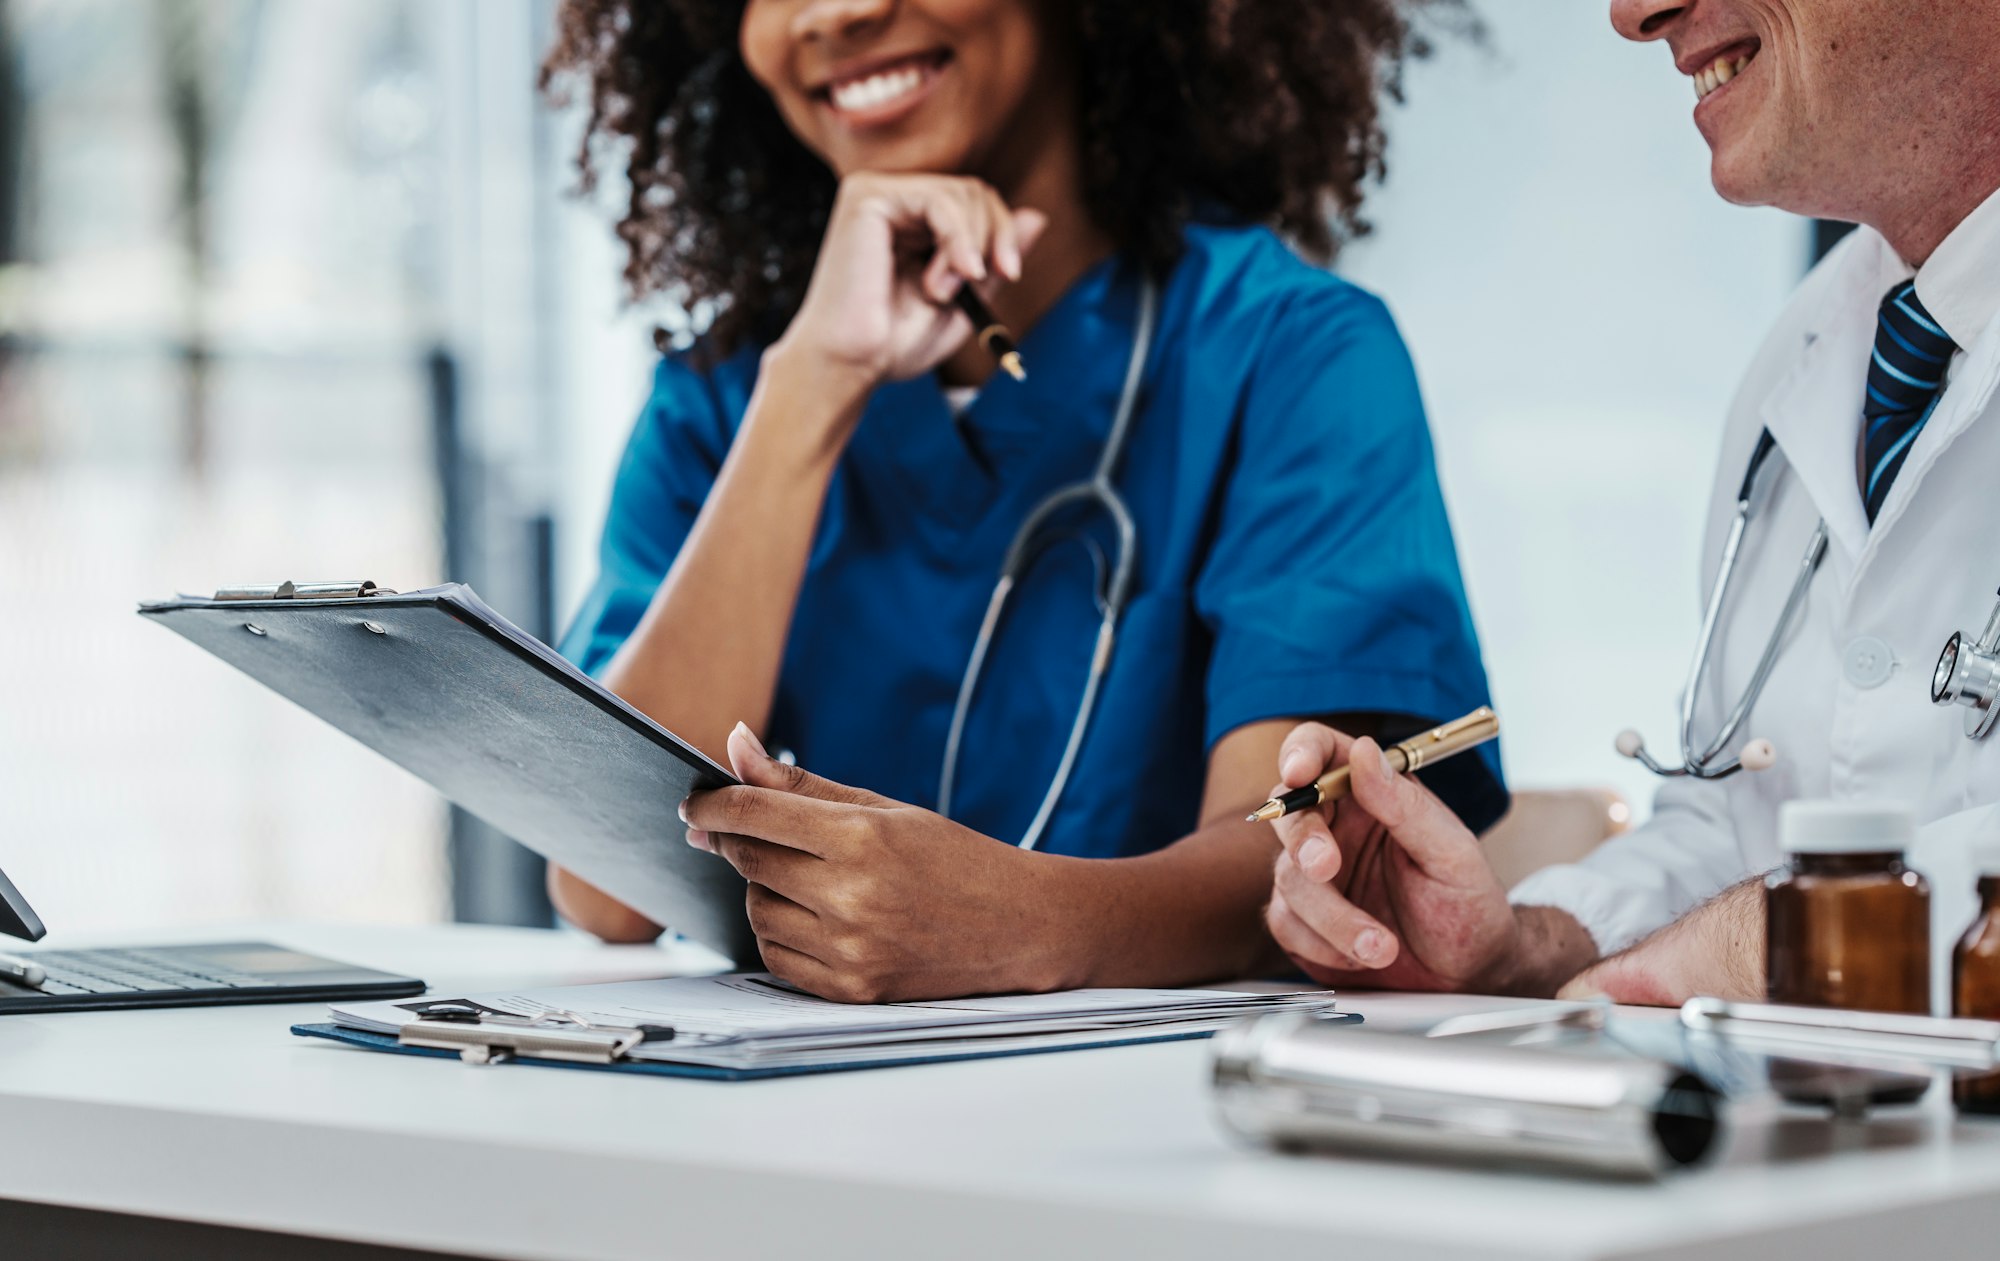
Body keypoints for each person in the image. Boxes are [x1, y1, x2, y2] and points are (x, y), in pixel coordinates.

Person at [540, 0, 1506, 1002]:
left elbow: (1296, 863)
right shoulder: (730, 396)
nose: (839, 10)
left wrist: (1007, 923)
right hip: (800, 1120)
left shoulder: (1291, 355)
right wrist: (814, 389)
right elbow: (602, 886)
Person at [1265, 0, 2000, 1004]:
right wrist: (1524, 945)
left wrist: (1771, 940)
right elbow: (1737, 823)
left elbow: (1759, 917)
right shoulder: (1811, 354)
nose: (1632, 13)